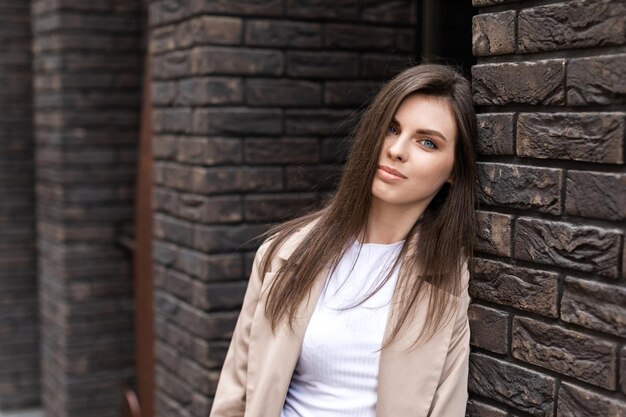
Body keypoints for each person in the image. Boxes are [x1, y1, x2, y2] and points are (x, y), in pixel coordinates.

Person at [209, 63, 477, 417]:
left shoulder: (449, 280)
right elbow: (235, 399)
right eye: (391, 128)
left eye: (427, 142)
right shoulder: (283, 254)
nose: (396, 149)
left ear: (455, 171)